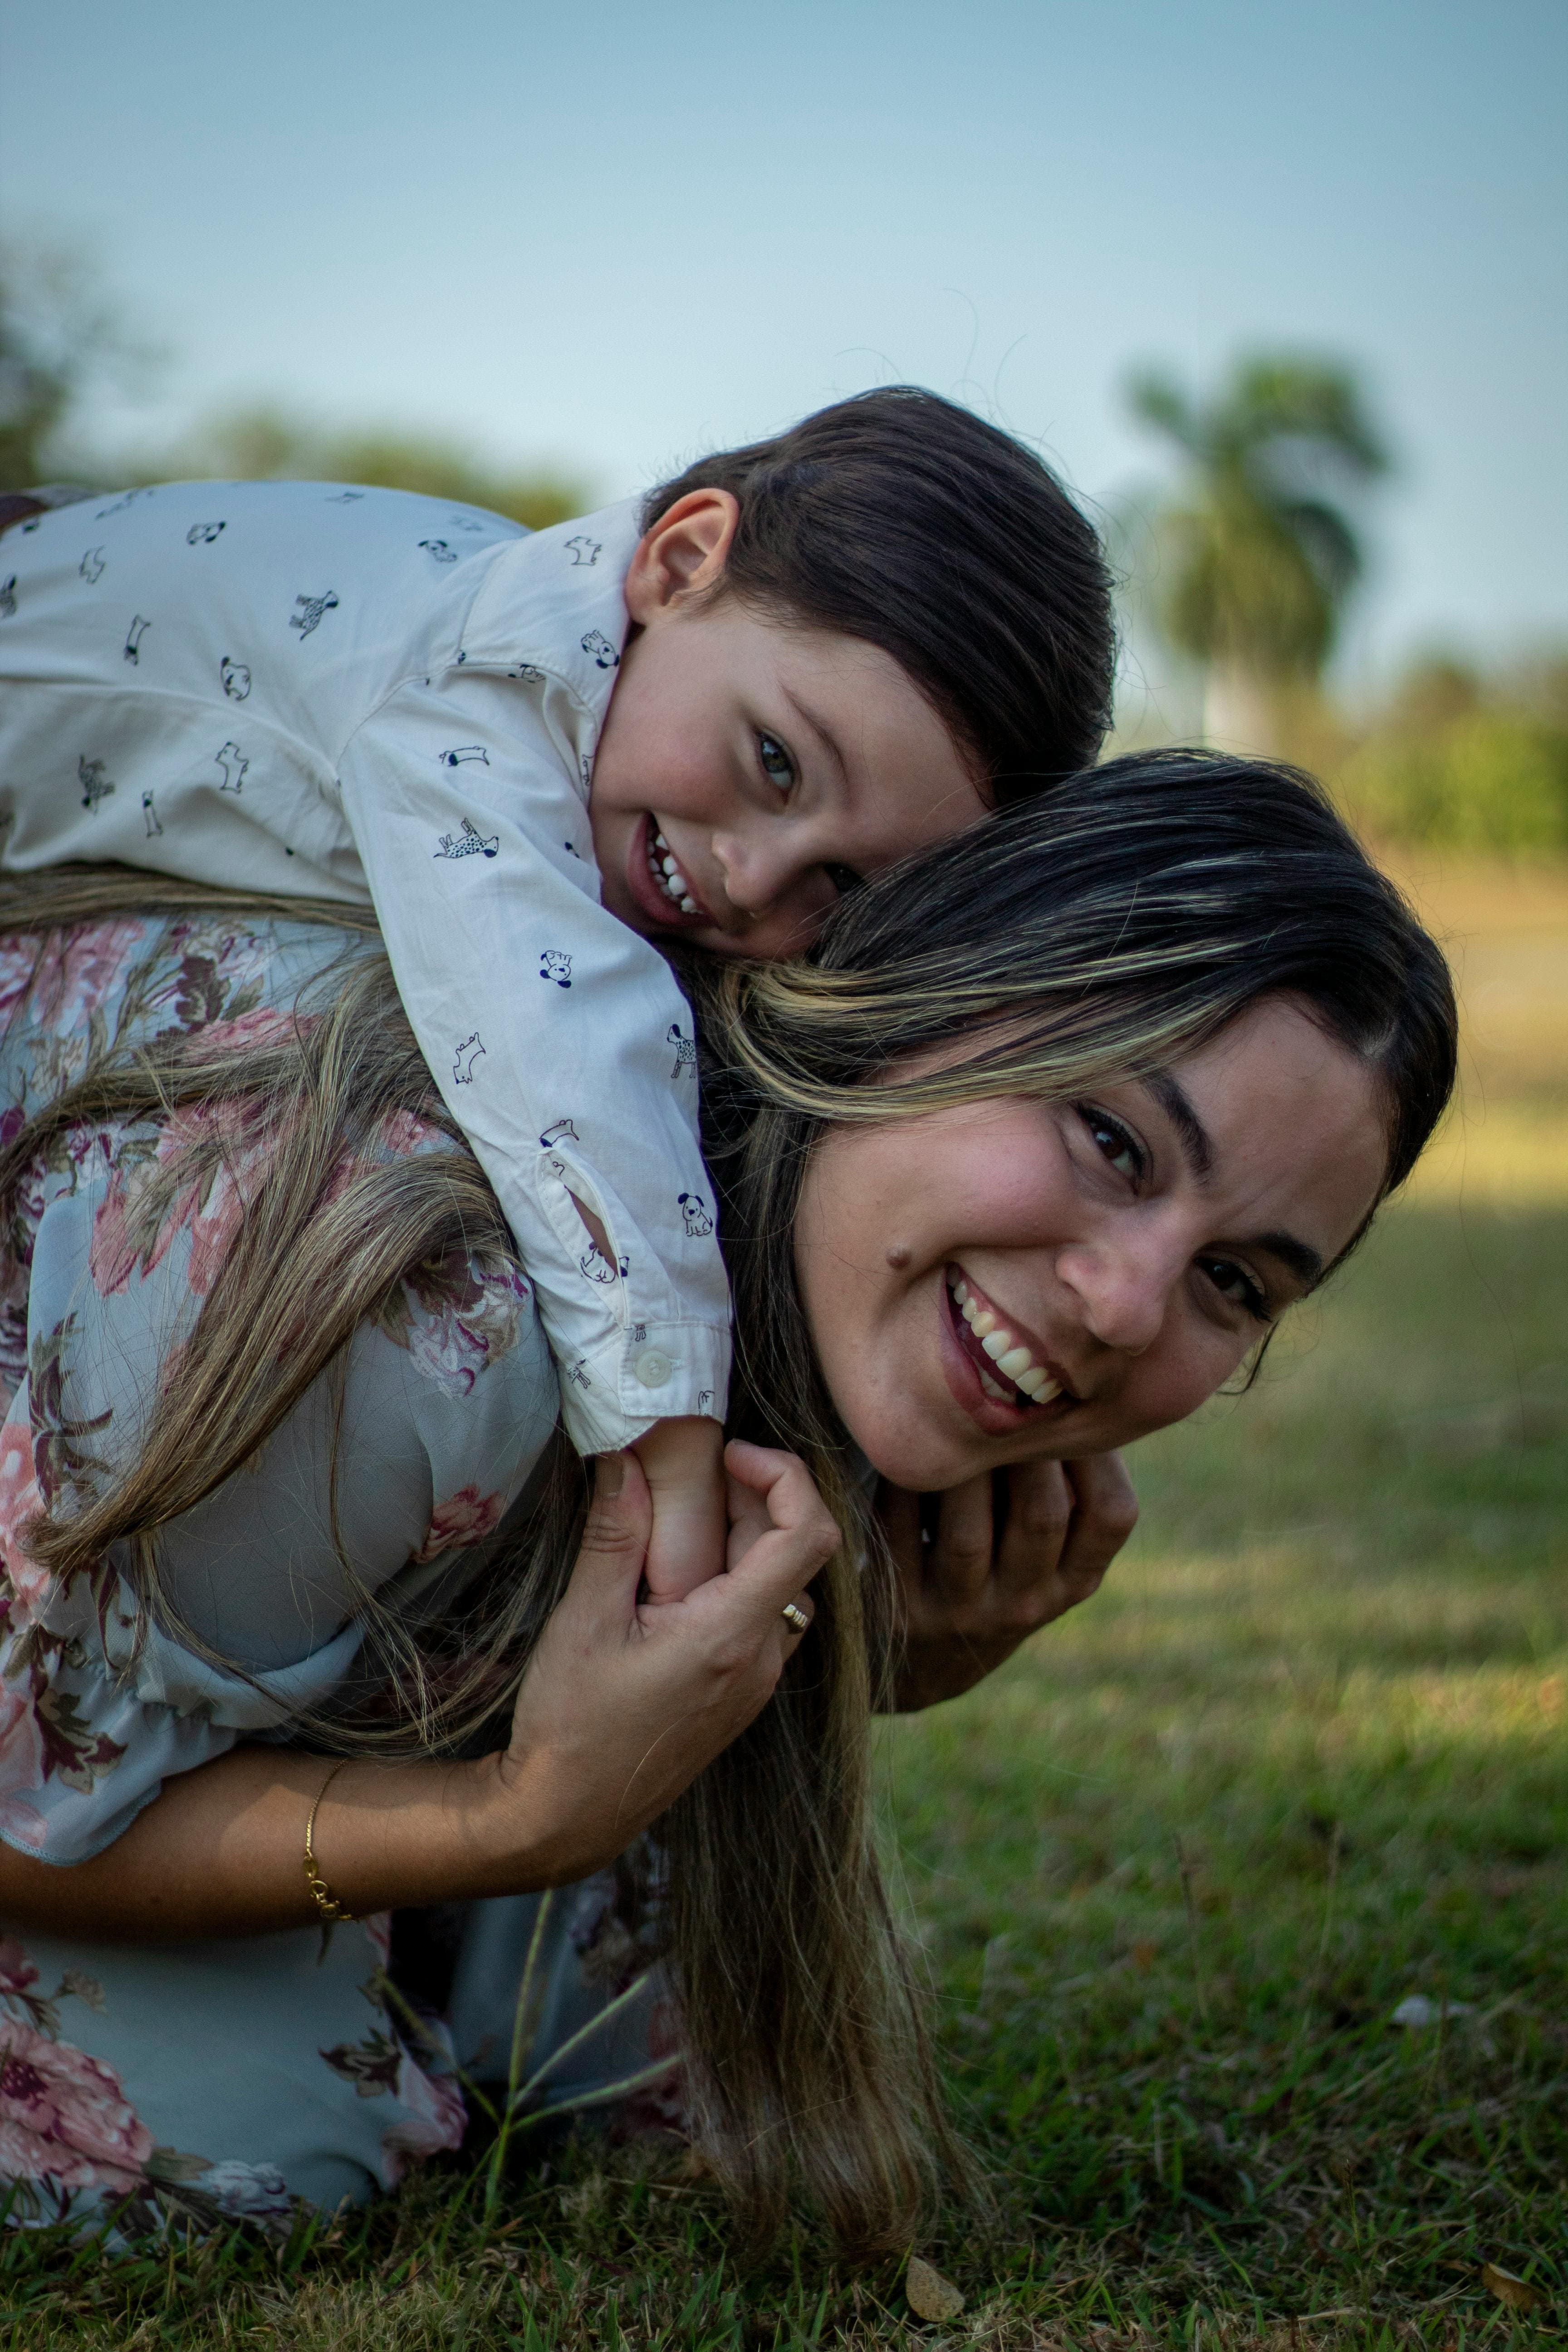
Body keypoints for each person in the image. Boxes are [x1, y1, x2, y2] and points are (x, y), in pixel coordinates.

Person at [0, 751, 1456, 2254]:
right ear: (927, 993)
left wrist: (858, 1662)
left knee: (647, 2060)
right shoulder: (447, 1310)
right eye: (1110, 1140)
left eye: (1233, 1283)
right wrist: (514, 1821)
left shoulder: (763, 1262)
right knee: (262, 2153)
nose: (1122, 1306)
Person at [0, 389, 1115, 1610]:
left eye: (845, 886)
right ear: (682, 560)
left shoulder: (597, 664)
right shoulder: (470, 691)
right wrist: (673, 1460)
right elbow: (563, 1053)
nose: (755, 877)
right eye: (776, 762)